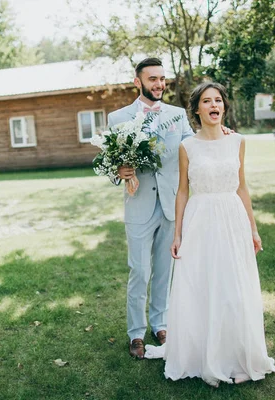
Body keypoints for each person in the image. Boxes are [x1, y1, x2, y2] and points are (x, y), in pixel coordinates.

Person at [163, 81, 275, 385]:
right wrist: (178, 234)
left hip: (232, 220)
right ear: (197, 109)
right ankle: (202, 353)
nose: (214, 106)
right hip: (199, 220)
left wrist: (253, 228)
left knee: (233, 286)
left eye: (218, 100)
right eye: (207, 101)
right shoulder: (187, 146)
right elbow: (183, 192)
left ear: (223, 106)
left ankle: (235, 354)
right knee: (202, 284)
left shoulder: (237, 141)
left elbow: (242, 186)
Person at [107, 58, 195, 359]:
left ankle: (161, 324)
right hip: (139, 205)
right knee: (140, 271)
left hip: (171, 204)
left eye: (162, 78)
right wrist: (118, 171)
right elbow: (110, 166)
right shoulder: (117, 118)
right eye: (153, 79)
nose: (159, 84)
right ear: (138, 82)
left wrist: (219, 135)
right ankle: (136, 333)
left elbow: (193, 149)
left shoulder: (178, 114)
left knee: (164, 271)